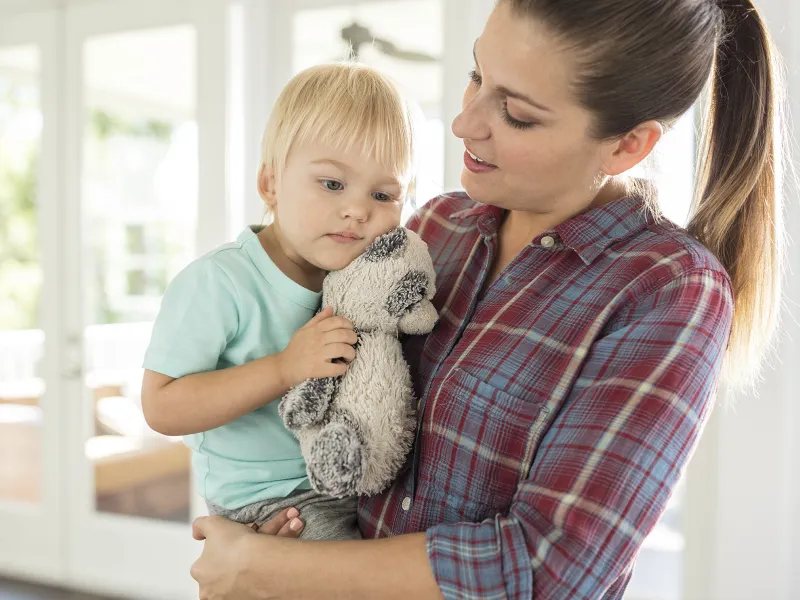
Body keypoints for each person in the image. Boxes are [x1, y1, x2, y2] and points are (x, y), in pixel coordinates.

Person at [189, 0, 785, 597]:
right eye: (477, 75)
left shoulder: (669, 289)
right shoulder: (435, 227)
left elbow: (549, 569)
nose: (464, 124)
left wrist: (265, 566)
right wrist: (287, 527)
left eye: (518, 115)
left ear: (627, 146)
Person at [140, 62, 418, 541]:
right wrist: (284, 369)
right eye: (332, 184)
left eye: (382, 193)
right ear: (270, 185)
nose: (357, 209)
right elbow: (161, 408)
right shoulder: (220, 282)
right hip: (272, 501)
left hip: (347, 480)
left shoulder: (359, 279)